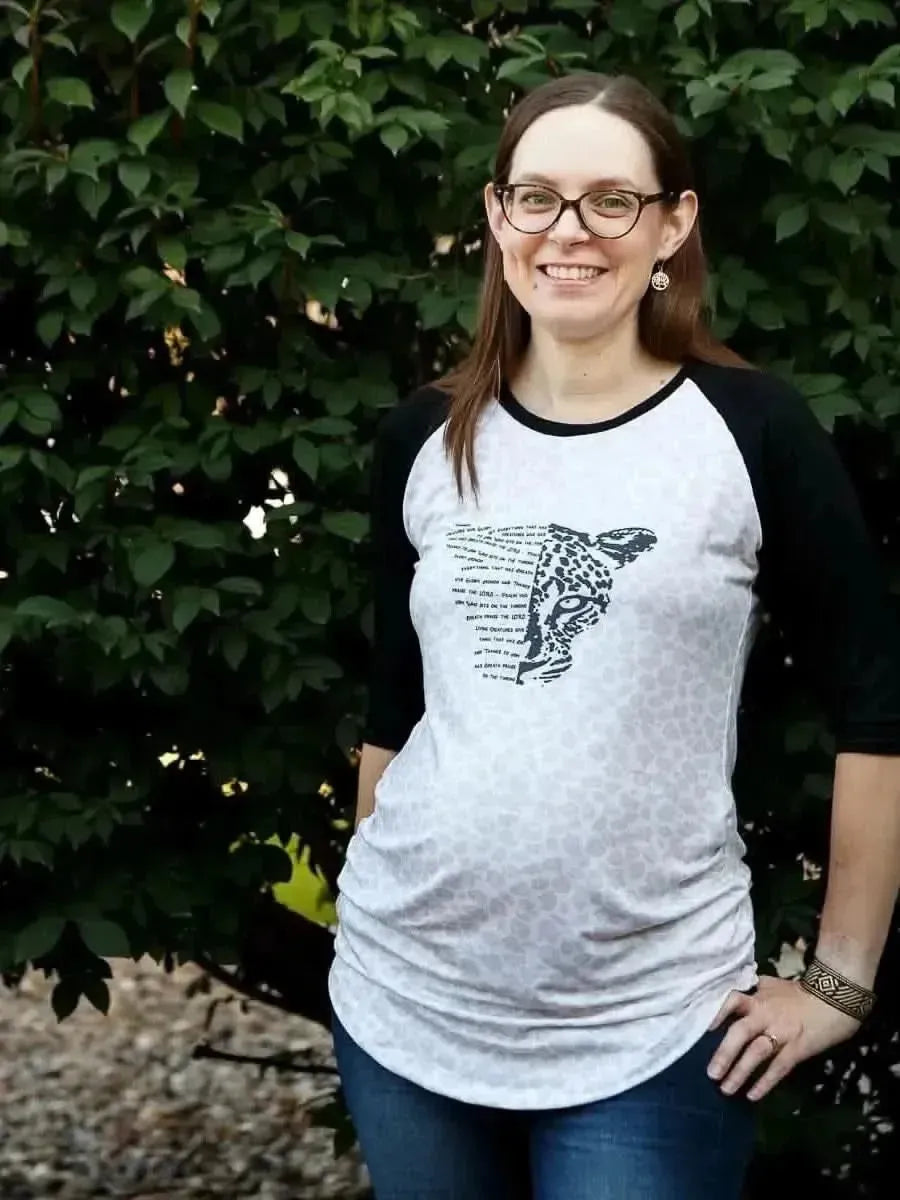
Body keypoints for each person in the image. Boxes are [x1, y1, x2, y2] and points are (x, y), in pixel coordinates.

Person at [327, 72, 900, 1199]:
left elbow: (875, 700)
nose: (568, 232)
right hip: (408, 1008)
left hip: (655, 1027)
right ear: (497, 220)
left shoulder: (750, 431)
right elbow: (398, 707)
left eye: (610, 200)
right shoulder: (426, 438)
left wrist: (839, 983)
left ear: (672, 223)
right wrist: (372, 918)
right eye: (535, 198)